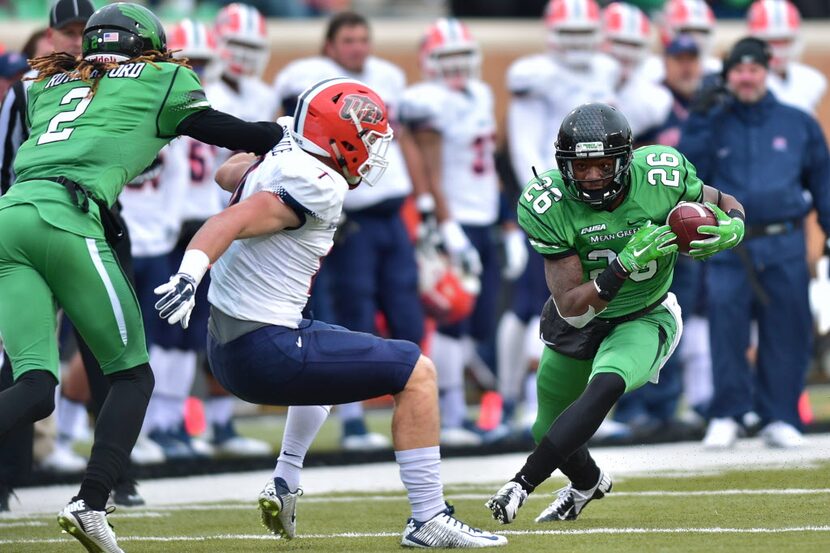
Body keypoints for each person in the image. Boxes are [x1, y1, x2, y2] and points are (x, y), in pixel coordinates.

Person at [154, 76, 507, 548]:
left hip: (230, 345)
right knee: (417, 373)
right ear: (335, 135)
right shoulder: (317, 182)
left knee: (327, 360)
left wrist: (268, 152)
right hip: (264, 347)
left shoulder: (290, 156)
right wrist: (189, 274)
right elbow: (230, 219)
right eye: (367, 140)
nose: (372, 152)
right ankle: (429, 518)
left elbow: (226, 175)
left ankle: (285, 479)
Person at [0, 3, 283, 550]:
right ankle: (93, 499)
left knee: (33, 387)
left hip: (9, 218)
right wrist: (293, 133)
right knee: (132, 375)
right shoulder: (163, 76)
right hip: (66, 217)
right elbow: (236, 132)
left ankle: (93, 496)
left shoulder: (49, 82)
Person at [485, 102, 745, 525]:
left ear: (624, 159)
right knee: (545, 430)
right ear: (563, 164)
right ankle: (588, 483)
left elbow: (723, 200)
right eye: (580, 166)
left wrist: (733, 225)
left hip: (645, 313)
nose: (590, 176)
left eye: (602, 164)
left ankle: (521, 484)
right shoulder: (548, 202)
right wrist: (620, 267)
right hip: (580, 320)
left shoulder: (662, 173)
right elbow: (570, 303)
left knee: (606, 384)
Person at [273, 11, 426, 451]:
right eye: (348, 40)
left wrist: (427, 205)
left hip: (392, 215)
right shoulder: (315, 82)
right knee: (351, 318)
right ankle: (354, 421)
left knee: (406, 314)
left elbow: (406, 142)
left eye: (363, 38)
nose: (358, 47)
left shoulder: (388, 77)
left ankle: (418, 409)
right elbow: (294, 136)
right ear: (330, 46)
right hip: (349, 219)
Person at [679, 37, 830, 450]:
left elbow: (822, 181)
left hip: (784, 242)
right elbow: (686, 174)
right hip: (729, 243)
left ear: (766, 71)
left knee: (787, 330)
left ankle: (779, 415)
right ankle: (727, 413)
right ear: (728, 74)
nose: (746, 78)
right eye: (739, 70)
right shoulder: (714, 120)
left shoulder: (797, 121)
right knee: (726, 331)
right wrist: (700, 117)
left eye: (754, 69)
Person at [497, 0, 619, 437]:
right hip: (557, 204)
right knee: (537, 306)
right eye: (569, 34)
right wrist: (543, 203)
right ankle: (516, 401)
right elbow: (524, 145)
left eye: (585, 33)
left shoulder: (604, 70)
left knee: (594, 304)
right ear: (551, 33)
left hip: (595, 205)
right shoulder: (535, 74)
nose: (578, 44)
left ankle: (579, 409)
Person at [400, 17, 517, 446]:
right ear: (428, 62)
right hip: (455, 222)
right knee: (451, 318)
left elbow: (490, 167)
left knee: (480, 321)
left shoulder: (481, 93)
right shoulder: (426, 100)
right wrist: (446, 225)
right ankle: (448, 415)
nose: (455, 66)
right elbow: (428, 170)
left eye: (462, 56)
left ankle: (469, 410)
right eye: (445, 57)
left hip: (484, 217)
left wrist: (507, 222)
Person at [747, 0, 826, 114]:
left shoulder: (812, 80)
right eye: (771, 41)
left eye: (784, 40)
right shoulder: (743, 81)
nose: (778, 50)